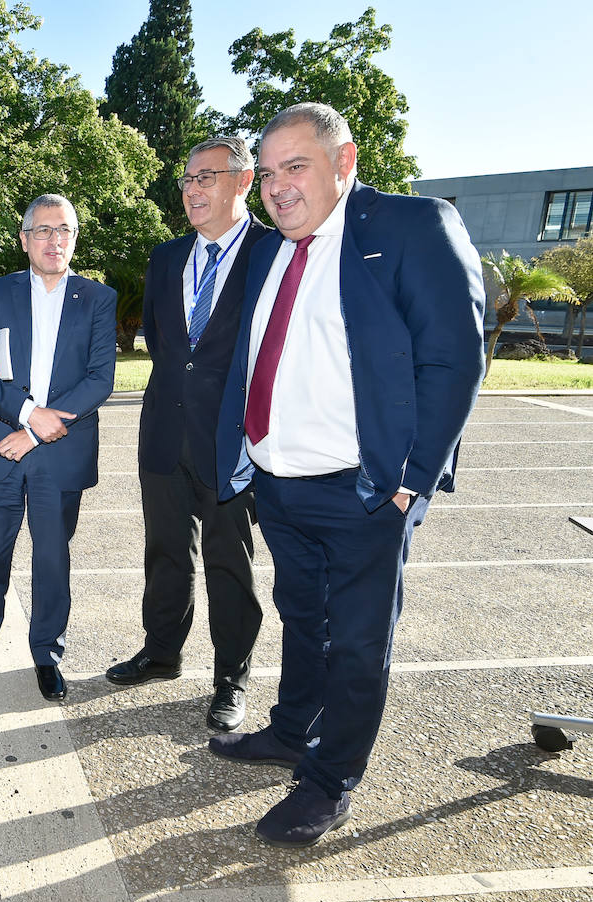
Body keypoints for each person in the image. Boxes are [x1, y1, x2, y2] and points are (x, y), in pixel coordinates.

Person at [210, 103, 485, 847]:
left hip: (363, 490)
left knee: (360, 641)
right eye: (266, 174)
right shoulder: (269, 251)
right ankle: (294, 729)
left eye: (294, 167)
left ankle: (330, 783)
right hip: (278, 481)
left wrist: (410, 480)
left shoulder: (409, 228)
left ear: (345, 161)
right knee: (302, 617)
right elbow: (254, 361)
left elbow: (453, 360)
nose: (277, 187)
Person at [105, 137, 270, 732]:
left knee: (231, 559)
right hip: (164, 430)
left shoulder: (272, 251)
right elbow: (165, 343)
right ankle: (161, 652)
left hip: (233, 439)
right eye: (187, 179)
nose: (192, 189)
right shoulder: (166, 257)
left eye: (206, 177)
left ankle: (232, 677)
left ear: (243, 181)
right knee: (166, 550)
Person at [0, 193, 117, 702]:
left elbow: (100, 379)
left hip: (61, 452)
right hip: (0, 445)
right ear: (24, 239)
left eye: (63, 229)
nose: (53, 239)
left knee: (53, 559)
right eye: (42, 230)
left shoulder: (98, 298)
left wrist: (37, 431)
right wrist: (25, 414)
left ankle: (47, 654)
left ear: (75, 237)